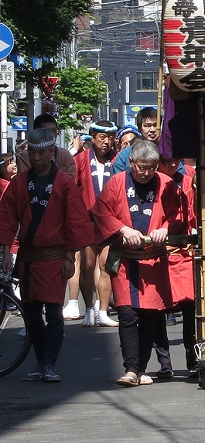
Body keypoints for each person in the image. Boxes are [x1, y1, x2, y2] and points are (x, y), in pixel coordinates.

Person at [0, 128, 94, 383]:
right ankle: (41, 362)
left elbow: (75, 220)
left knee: (53, 313)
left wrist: (69, 257)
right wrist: (7, 250)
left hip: (54, 257)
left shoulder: (63, 182)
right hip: (28, 258)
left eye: (42, 152)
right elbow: (7, 217)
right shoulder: (19, 182)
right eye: (33, 152)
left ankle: (48, 363)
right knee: (30, 315)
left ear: (52, 151)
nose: (37, 157)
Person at [92, 139, 185, 387]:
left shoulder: (165, 184)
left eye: (151, 167)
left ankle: (140, 368)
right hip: (125, 260)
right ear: (131, 162)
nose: (146, 173)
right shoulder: (117, 182)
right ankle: (131, 368)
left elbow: (178, 215)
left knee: (151, 315)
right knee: (128, 313)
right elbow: (101, 212)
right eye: (141, 167)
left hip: (153, 260)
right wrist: (122, 228)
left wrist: (165, 228)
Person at [71, 120, 120, 327]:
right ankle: (89, 307)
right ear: (93, 137)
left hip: (108, 220)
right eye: (102, 137)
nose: (106, 142)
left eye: (110, 138)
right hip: (87, 219)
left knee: (105, 265)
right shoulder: (81, 160)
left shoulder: (117, 160)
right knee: (88, 266)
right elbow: (73, 190)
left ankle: (102, 309)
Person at [157, 154, 198, 376]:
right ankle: (164, 362)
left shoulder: (188, 178)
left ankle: (192, 358)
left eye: (175, 160)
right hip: (157, 250)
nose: (172, 164)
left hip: (183, 251)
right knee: (156, 310)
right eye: (166, 160)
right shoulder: (151, 181)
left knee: (190, 307)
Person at [17, 114, 76, 178]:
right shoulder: (25, 157)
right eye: (47, 131)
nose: (52, 135)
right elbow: (23, 182)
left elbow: (70, 182)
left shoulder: (64, 155)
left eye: (54, 131)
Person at [111, 107, 159, 174]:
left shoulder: (167, 151)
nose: (152, 130)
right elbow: (118, 179)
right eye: (147, 126)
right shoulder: (125, 155)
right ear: (139, 128)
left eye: (155, 125)